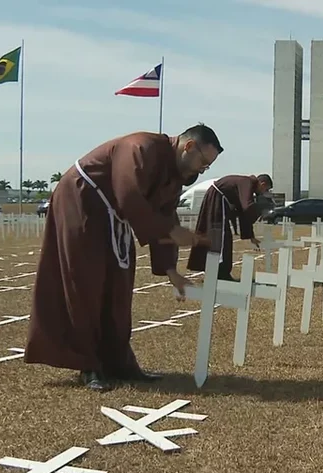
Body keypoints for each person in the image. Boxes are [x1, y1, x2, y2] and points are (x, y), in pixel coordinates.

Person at [24, 124, 222, 391]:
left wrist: (171, 270)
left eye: (207, 167)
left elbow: (165, 213)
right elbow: (128, 195)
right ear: (188, 146)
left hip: (113, 214)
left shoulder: (174, 174)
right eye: (203, 162)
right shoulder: (140, 147)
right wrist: (170, 231)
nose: (202, 170)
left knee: (119, 283)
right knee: (87, 282)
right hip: (82, 199)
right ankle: (88, 364)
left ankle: (118, 362)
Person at [186, 174, 273, 281]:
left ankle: (217, 272)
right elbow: (247, 207)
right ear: (262, 184)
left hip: (217, 200)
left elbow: (242, 211)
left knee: (219, 237)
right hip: (217, 201)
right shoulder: (247, 182)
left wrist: (251, 236)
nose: (264, 192)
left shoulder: (247, 183)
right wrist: (261, 210)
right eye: (266, 189)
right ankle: (221, 273)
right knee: (221, 238)